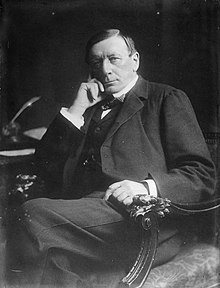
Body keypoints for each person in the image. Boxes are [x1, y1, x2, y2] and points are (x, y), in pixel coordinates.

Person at [6, 29, 216, 288]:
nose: (104, 70)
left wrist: (144, 187)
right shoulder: (88, 105)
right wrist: (76, 110)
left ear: (135, 60)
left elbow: (202, 174)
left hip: (141, 220)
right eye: (96, 62)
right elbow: (42, 166)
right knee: (55, 259)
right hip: (85, 219)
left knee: (30, 214)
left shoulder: (166, 98)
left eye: (114, 59)